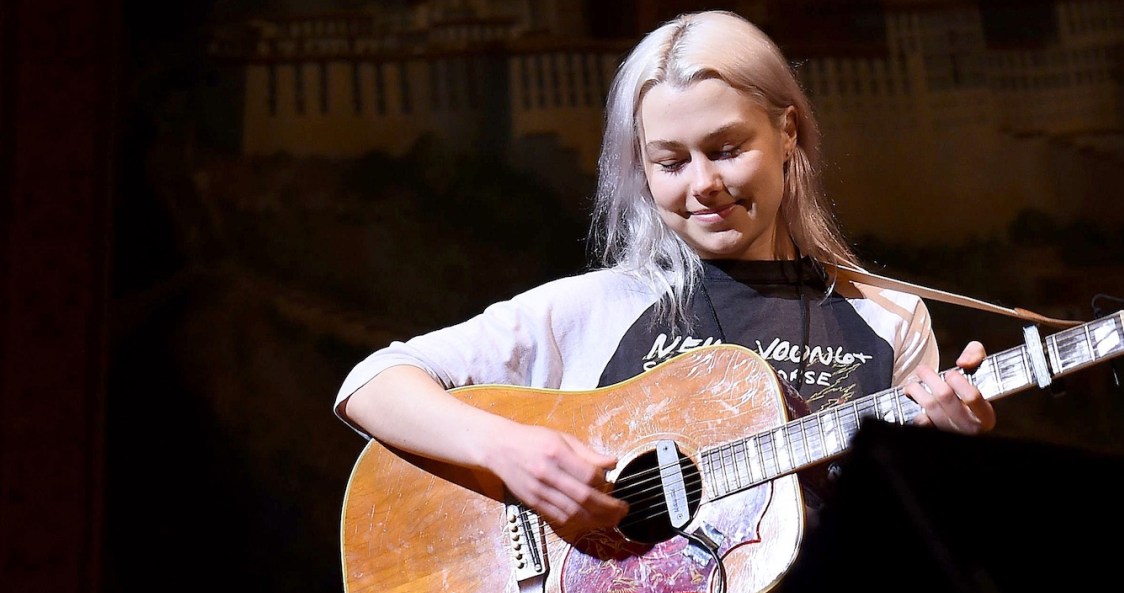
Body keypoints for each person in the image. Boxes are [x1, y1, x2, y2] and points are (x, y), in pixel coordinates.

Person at [334, 9, 994, 545]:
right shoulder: (598, 308)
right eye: (671, 161)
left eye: (727, 150)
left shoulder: (887, 318)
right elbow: (371, 386)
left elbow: (909, 544)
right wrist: (508, 451)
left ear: (788, 133)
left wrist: (951, 462)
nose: (703, 184)